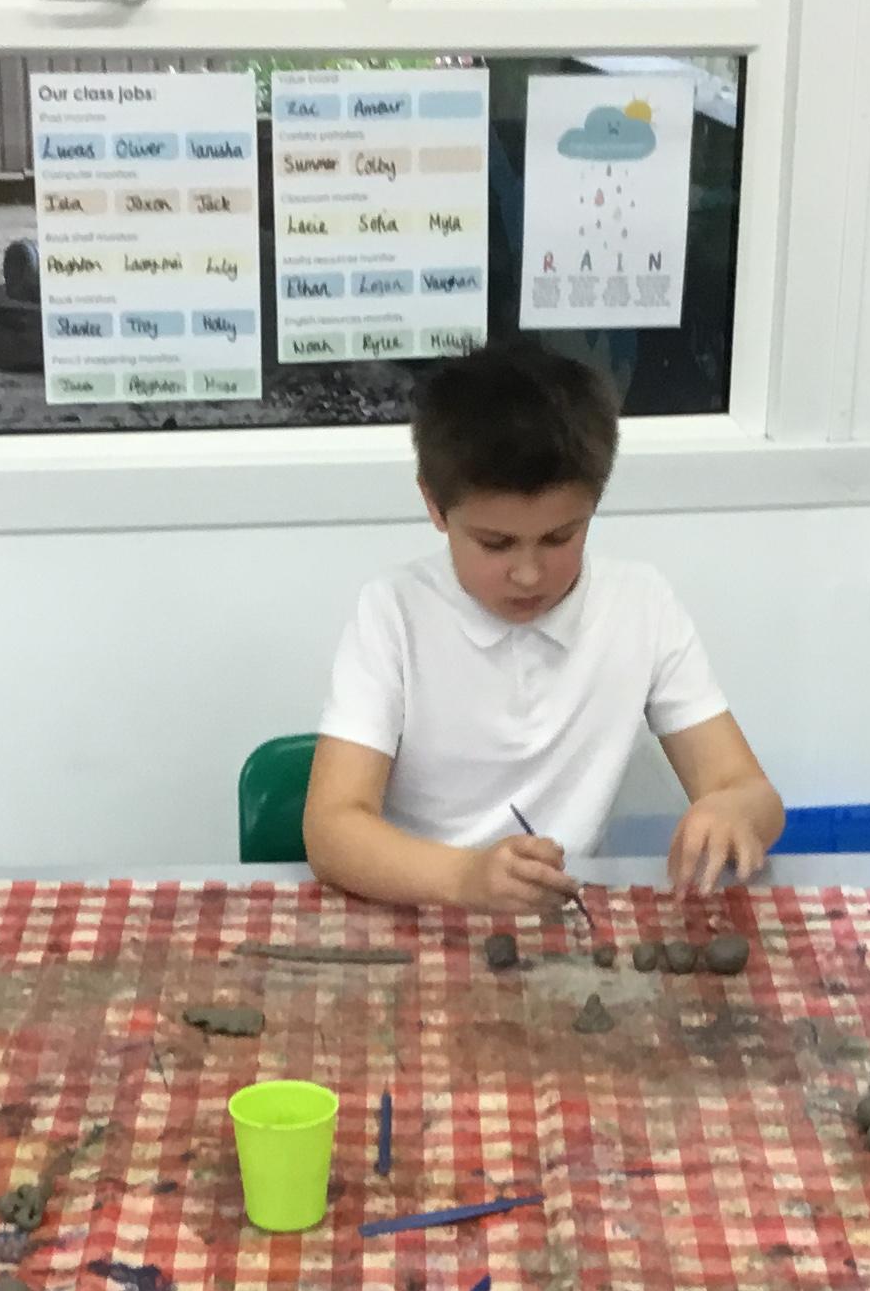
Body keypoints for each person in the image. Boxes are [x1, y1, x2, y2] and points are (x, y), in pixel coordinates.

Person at [303, 338, 784, 912]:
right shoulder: (394, 612)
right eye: (495, 543)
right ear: (434, 505)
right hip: (425, 906)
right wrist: (465, 878)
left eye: (560, 537)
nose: (529, 574)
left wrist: (732, 809)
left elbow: (751, 791)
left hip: (566, 917)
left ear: (595, 504)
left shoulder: (640, 605)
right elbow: (331, 829)